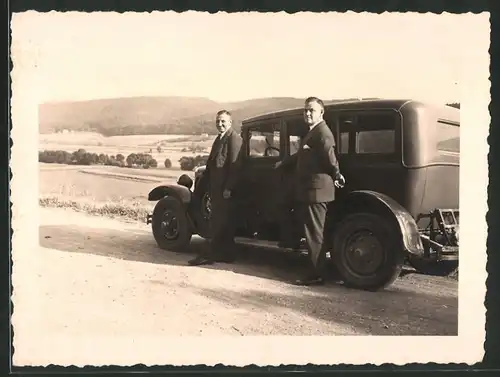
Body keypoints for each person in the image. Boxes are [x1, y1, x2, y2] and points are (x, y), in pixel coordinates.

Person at [275, 97, 345, 286]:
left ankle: (317, 274)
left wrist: (337, 174)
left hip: (316, 191)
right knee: (314, 232)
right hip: (312, 191)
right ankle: (318, 270)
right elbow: (303, 154)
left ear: (321, 113)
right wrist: (284, 162)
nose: (307, 113)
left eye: (311, 110)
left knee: (314, 233)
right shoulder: (313, 132)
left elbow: (330, 157)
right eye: (305, 110)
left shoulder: (322, 132)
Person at [188, 110, 243, 266]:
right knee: (221, 223)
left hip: (225, 190)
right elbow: (213, 165)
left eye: (223, 121)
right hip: (216, 188)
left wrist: (228, 188)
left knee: (218, 223)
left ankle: (207, 255)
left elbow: (235, 166)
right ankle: (226, 255)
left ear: (230, 123)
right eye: (218, 121)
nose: (220, 124)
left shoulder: (234, 139)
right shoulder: (219, 139)